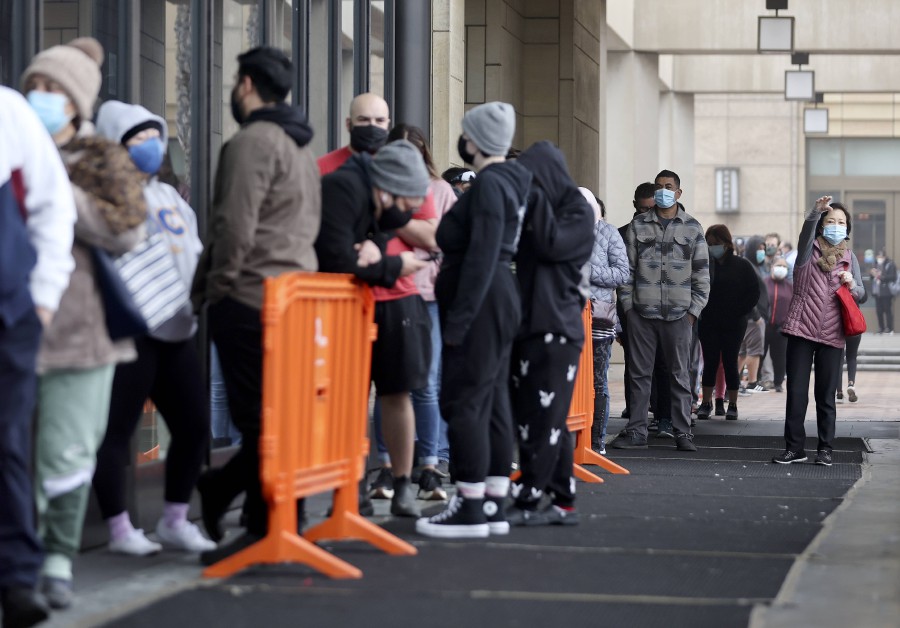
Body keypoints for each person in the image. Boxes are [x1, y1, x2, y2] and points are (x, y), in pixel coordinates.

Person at [22, 38, 150, 610]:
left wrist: (58, 194)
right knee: (16, 452)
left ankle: (54, 561)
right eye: (36, 86)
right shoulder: (11, 151)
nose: (41, 97)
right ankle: (20, 559)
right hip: (16, 324)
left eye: (54, 89)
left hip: (81, 331)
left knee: (66, 452)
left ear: (77, 102)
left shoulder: (100, 158)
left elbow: (127, 232)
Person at [191, 46, 321, 564]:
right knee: (277, 419)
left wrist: (215, 289)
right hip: (291, 300)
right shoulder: (300, 149)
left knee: (259, 421)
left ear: (245, 85)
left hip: (249, 298)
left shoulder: (251, 143)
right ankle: (249, 511)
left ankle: (245, 509)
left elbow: (232, 226)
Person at [92, 101, 214, 558]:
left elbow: (193, 251)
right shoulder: (104, 196)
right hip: (132, 330)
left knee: (194, 424)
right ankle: (119, 528)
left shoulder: (168, 195)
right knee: (118, 431)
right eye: (136, 138)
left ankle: (175, 519)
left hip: (178, 327)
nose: (149, 146)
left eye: (153, 136)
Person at [416, 102, 532, 538]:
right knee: (495, 402)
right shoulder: (512, 182)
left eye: (466, 135)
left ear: (476, 140)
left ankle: (469, 506)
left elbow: (481, 255)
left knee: (465, 401)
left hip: (482, 299)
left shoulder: (489, 186)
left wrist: (460, 321)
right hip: (499, 298)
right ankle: (492, 502)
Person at [315, 139, 431, 516]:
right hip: (350, 304)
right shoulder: (344, 188)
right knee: (347, 399)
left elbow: (379, 233)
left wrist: (373, 248)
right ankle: (350, 487)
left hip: (392, 303)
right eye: (405, 205)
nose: (405, 218)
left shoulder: (372, 194)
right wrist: (391, 265)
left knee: (397, 393)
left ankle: (400, 484)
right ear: (389, 188)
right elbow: (336, 258)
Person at [0, 85, 77, 628]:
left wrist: (44, 300)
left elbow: (53, 207)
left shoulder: (8, 111)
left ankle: (16, 577)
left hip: (9, 314)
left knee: (6, 444)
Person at [503, 142, 594, 526]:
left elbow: (553, 245)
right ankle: (563, 497)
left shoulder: (575, 209)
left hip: (556, 327)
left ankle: (531, 495)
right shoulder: (538, 209)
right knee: (543, 415)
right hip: (531, 325)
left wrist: (534, 199)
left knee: (543, 417)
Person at [611, 169, 709, 452]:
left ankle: (682, 432)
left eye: (669, 186)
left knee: (680, 375)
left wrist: (693, 312)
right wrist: (628, 309)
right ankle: (637, 432)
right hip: (642, 314)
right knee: (639, 375)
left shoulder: (692, 228)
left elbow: (702, 275)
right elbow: (626, 272)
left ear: (679, 193)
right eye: (659, 187)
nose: (663, 191)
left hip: (679, 315)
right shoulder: (638, 226)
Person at [773, 198, 863, 466]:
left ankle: (825, 448)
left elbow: (862, 293)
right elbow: (805, 232)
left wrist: (852, 286)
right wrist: (815, 212)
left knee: (825, 397)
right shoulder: (806, 251)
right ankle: (794, 448)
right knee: (797, 393)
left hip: (833, 334)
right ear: (822, 226)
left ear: (847, 229)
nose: (836, 226)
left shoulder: (850, 258)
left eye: (841, 222)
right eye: (830, 221)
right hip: (801, 329)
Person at [696, 224, 759, 421]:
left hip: (734, 322)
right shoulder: (704, 265)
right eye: (709, 243)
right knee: (710, 362)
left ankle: (732, 404)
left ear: (727, 243)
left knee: (731, 362)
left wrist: (740, 311)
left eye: (717, 243)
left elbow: (753, 293)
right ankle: (706, 403)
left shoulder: (742, 265)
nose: (713, 247)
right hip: (709, 321)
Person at [586, 189, 629, 453]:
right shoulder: (560, 229)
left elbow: (622, 273)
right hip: (565, 315)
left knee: (597, 380)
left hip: (599, 316)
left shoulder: (610, 233)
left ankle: (596, 440)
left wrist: (589, 270)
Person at [616, 182, 656, 421]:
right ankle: (634, 410)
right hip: (631, 308)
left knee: (661, 363)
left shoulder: (666, 231)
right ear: (634, 206)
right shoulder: (622, 234)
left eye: (651, 209)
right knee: (634, 362)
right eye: (643, 209)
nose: (647, 214)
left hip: (660, 306)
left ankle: (661, 412)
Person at [318, 92, 390, 176]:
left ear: (387, 124)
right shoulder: (322, 168)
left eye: (380, 120)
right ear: (348, 124)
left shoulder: (399, 169)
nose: (372, 125)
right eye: (363, 119)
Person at [738, 235, 770, 393]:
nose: (762, 252)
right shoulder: (748, 266)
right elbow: (748, 293)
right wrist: (757, 316)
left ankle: (736, 381)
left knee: (743, 351)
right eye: (759, 249)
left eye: (763, 249)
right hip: (753, 317)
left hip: (755, 316)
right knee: (753, 350)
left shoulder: (757, 266)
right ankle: (752, 382)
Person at [764, 257, 793, 393]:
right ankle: (757, 381)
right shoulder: (765, 283)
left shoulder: (789, 286)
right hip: (765, 325)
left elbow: (794, 307)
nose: (781, 268)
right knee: (760, 353)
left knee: (780, 357)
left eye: (784, 266)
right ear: (772, 267)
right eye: (778, 265)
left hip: (782, 327)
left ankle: (778, 383)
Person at [836, 280, 866, 404]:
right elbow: (864, 297)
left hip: (837, 325)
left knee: (838, 358)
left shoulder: (834, 283)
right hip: (853, 324)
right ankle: (851, 383)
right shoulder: (854, 284)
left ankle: (839, 392)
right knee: (852, 356)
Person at [870, 249, 896, 334]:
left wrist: (881, 277)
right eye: (878, 256)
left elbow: (893, 277)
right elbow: (871, 277)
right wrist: (872, 274)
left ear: (884, 257)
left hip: (886, 292)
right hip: (877, 292)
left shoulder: (890, 264)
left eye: (881, 256)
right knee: (879, 311)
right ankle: (881, 328)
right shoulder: (875, 264)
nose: (879, 258)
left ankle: (889, 328)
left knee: (887, 310)